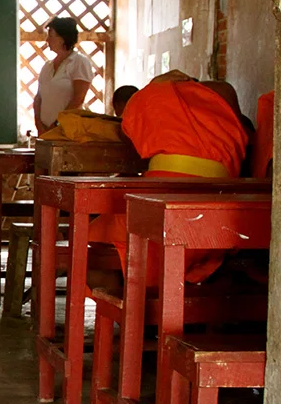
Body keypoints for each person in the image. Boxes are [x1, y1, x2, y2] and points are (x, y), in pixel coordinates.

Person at [93, 70, 250, 284]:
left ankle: (129, 306)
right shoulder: (223, 93)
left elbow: (130, 146)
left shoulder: (147, 99)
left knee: (91, 238)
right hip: (218, 222)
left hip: (163, 211)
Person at [33, 17, 97, 135]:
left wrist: (57, 124)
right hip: (45, 132)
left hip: (67, 132)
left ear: (63, 38)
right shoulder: (47, 66)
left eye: (51, 35)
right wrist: (39, 124)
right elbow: (38, 98)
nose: (47, 40)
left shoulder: (79, 62)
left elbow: (78, 99)